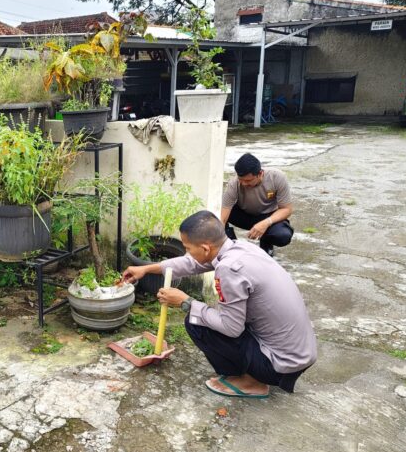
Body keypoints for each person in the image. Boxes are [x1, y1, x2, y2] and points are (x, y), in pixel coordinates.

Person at [121, 211, 316, 398]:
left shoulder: (229, 269)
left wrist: (185, 301)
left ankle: (252, 382)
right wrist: (146, 269)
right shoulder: (240, 248)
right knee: (208, 313)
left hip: (278, 365)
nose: (187, 252)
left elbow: (231, 328)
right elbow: (192, 264)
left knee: (196, 321)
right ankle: (252, 373)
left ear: (205, 248)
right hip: (298, 355)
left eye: (188, 248)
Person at [221, 153, 294, 257]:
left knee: (282, 236)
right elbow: (223, 217)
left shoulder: (277, 177)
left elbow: (287, 209)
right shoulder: (234, 183)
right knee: (216, 213)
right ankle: (231, 247)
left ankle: (266, 243)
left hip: (268, 216)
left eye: (248, 180)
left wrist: (266, 223)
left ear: (260, 174)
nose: (243, 183)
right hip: (244, 215)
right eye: (240, 179)